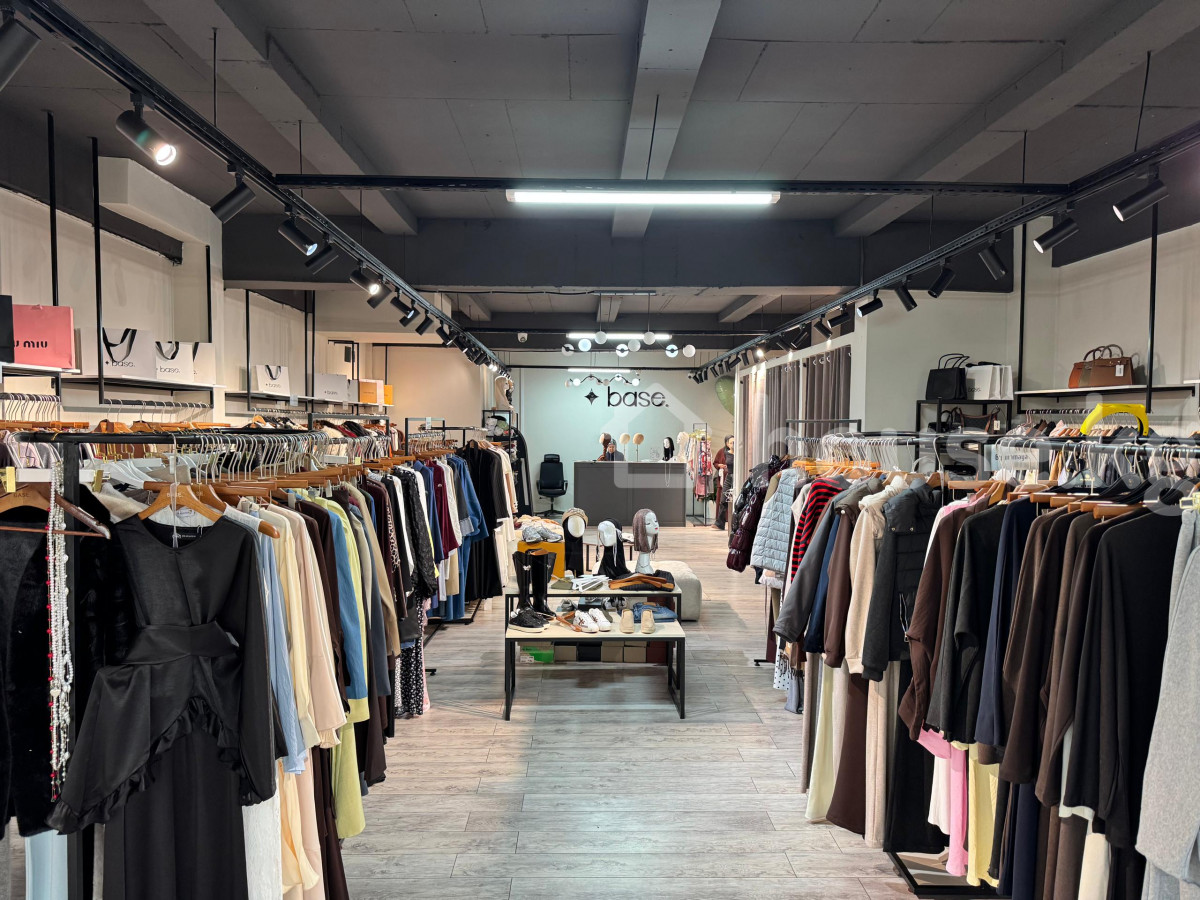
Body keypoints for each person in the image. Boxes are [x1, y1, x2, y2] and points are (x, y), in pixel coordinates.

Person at [713, 435, 734, 529]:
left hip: (735, 476)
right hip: (726, 477)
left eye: (734, 442)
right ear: (727, 444)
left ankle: (733, 523)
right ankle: (720, 523)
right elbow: (715, 463)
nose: (733, 444)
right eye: (731, 443)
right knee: (723, 499)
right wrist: (720, 466)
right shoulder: (724, 452)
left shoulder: (738, 453)